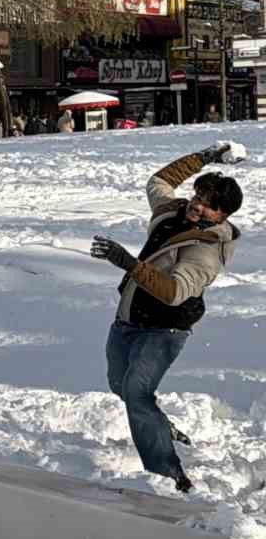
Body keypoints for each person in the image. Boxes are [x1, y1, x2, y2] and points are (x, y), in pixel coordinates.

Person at [90, 142, 245, 493]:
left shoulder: (208, 250)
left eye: (208, 203)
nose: (197, 204)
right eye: (199, 194)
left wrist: (129, 263)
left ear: (222, 216)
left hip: (165, 330)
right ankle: (160, 427)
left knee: (137, 392)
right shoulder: (170, 212)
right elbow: (159, 180)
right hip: (128, 319)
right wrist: (204, 157)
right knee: (120, 385)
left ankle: (168, 474)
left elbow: (174, 291)